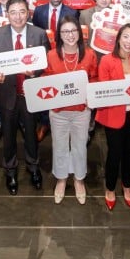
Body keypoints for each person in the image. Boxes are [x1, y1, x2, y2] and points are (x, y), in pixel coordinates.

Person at [0, 0, 50, 195]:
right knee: (8, 135)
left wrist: (37, 72)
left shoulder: (39, 34)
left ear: (28, 13)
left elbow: (46, 62)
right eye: (13, 12)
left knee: (32, 135)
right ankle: (10, 170)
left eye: (22, 11)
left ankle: (34, 168)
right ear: (7, 14)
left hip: (30, 93)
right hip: (6, 93)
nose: (18, 16)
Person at [45, 17, 98, 205]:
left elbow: (94, 79)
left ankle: (78, 179)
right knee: (59, 146)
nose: (70, 35)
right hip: (58, 112)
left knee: (79, 146)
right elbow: (45, 82)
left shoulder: (90, 55)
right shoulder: (51, 55)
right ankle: (60, 179)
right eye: (65, 32)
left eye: (73, 31)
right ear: (59, 35)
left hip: (81, 111)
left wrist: (90, 99)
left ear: (80, 33)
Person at [96, 24, 130, 211]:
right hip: (113, 115)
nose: (129, 42)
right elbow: (104, 89)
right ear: (118, 38)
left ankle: (126, 185)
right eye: (126, 37)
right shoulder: (107, 60)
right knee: (114, 153)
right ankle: (110, 188)